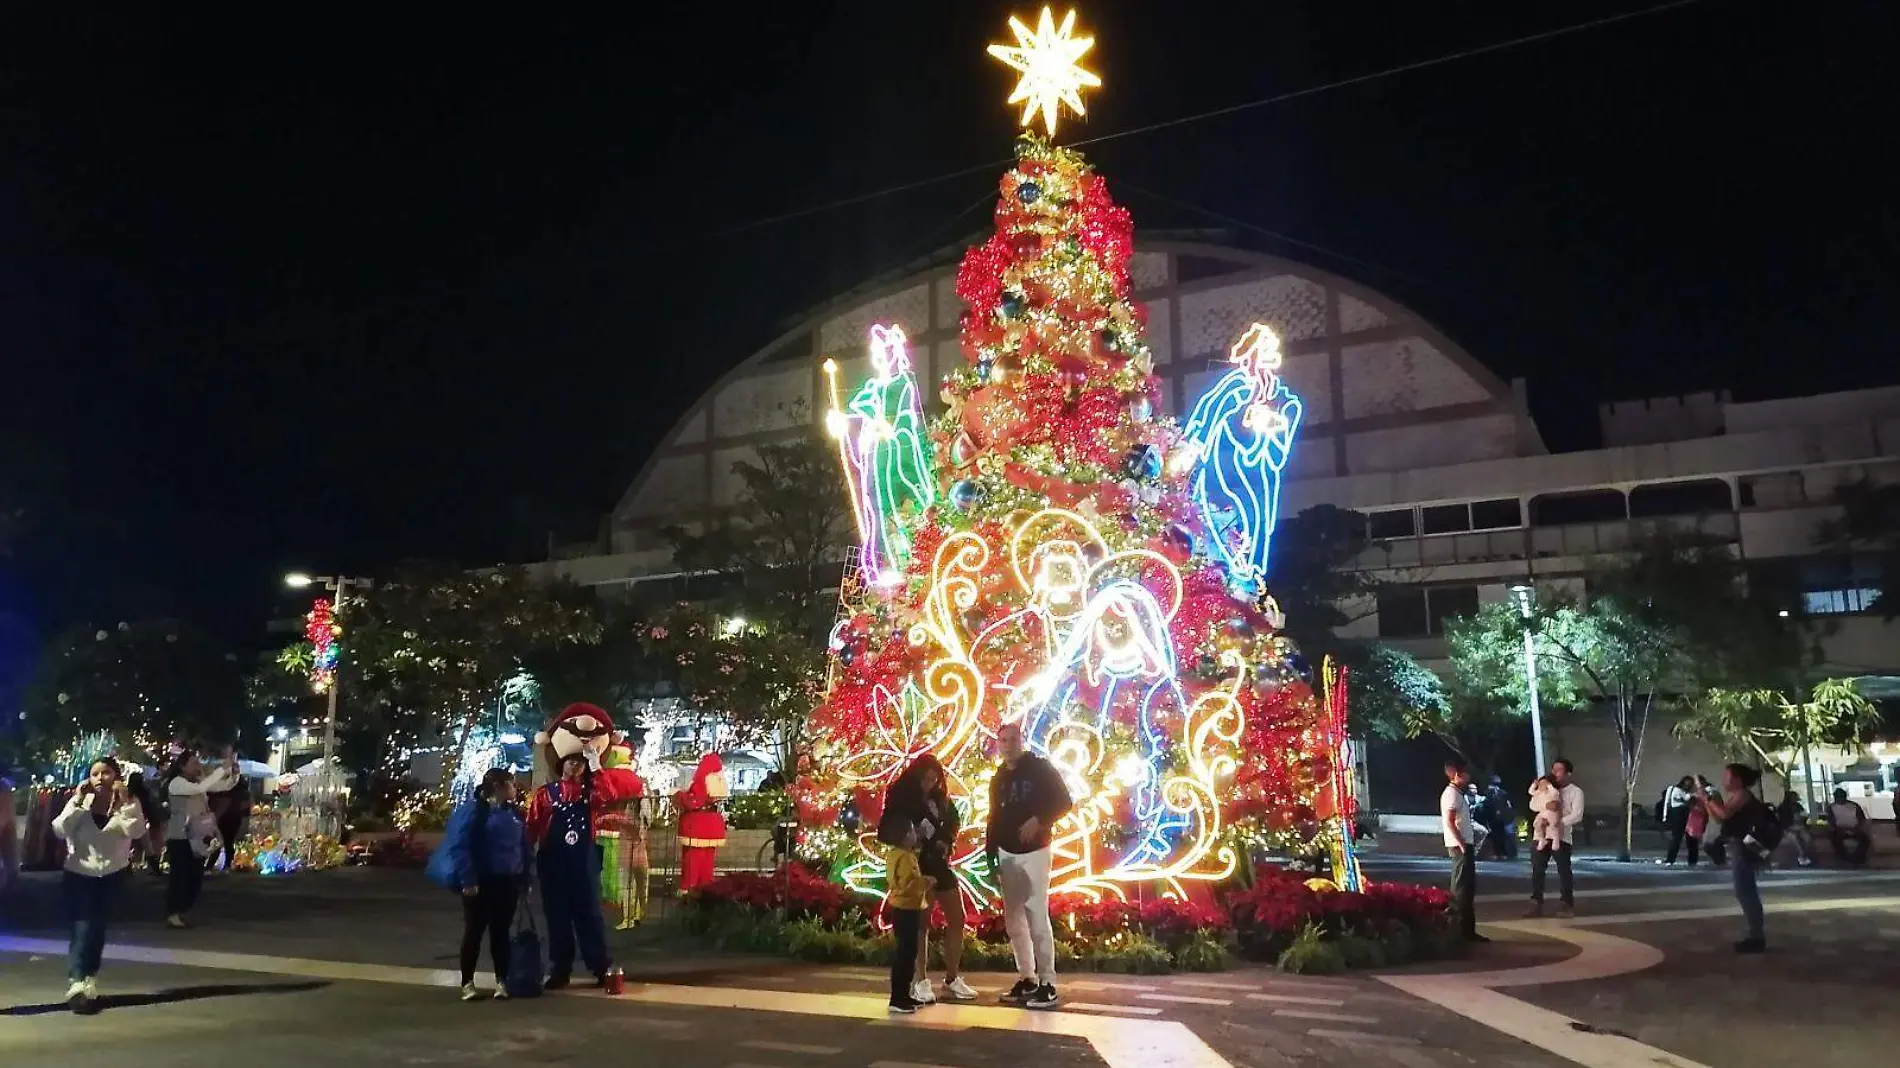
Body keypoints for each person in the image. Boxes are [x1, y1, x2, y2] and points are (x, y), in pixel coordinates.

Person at [986, 719, 1072, 1010]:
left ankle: (1048, 982)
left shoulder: (1040, 769)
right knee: (1014, 919)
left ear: (1021, 741)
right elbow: (993, 816)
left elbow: (1064, 800)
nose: (1007, 746)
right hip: (1006, 852)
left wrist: (1039, 819)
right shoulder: (998, 778)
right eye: (1002, 741)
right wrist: (990, 855)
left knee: (1037, 913)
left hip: (1035, 851)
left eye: (1012, 740)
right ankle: (1027, 978)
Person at [51, 758, 148, 1012]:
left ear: (116, 777)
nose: (100, 778)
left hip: (112, 874)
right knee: (83, 925)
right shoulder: (81, 803)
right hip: (78, 873)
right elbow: (60, 829)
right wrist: (78, 802)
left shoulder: (129, 804)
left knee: (98, 928)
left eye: (106, 773)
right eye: (95, 773)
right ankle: (76, 981)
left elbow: (136, 831)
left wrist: (126, 804)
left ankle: (89, 978)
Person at [527, 749, 629, 990]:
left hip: (583, 863)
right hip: (554, 863)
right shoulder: (546, 794)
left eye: (580, 763)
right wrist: (525, 862)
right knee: (557, 918)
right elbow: (532, 827)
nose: (575, 767)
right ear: (562, 764)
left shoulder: (590, 794)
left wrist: (596, 765)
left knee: (590, 916)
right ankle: (560, 969)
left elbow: (609, 795)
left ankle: (600, 966)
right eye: (571, 762)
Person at [439, 768, 531, 1001]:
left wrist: (525, 876)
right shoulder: (475, 811)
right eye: (511, 784)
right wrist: (468, 879)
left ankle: (502, 980)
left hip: (507, 880)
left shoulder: (513, 813)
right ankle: (467, 983)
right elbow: (461, 847)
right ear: (499, 787)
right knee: (474, 932)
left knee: (501, 933)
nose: (514, 788)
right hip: (480, 881)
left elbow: (523, 846)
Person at [879, 761, 938, 1014]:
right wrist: (926, 882)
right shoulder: (904, 857)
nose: (916, 834)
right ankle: (898, 997)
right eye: (912, 832)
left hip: (906, 906)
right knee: (905, 953)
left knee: (907, 951)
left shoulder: (901, 855)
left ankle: (903, 995)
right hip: (906, 907)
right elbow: (906, 883)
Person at [162, 744, 239, 928]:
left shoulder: (197, 782)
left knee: (195, 876)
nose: (198, 766)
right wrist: (222, 768)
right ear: (182, 766)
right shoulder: (177, 783)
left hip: (196, 836)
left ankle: (181, 910)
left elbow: (221, 786)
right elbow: (203, 787)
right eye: (194, 762)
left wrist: (234, 773)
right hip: (179, 837)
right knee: (180, 876)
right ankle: (173, 913)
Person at [1702, 763, 1769, 952]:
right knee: (1745, 890)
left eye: (1727, 776)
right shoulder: (1736, 796)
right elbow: (1720, 819)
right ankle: (1756, 935)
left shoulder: (1743, 795)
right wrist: (1707, 801)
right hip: (1740, 845)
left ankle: (1756, 936)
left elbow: (1724, 814)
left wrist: (1707, 797)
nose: (1724, 780)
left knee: (1745, 890)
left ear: (1737, 779)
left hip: (1745, 846)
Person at [1527, 758, 1582, 918]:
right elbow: (1533, 804)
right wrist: (1546, 807)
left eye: (1559, 770)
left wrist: (1558, 823)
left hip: (1561, 836)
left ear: (1568, 773)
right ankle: (1535, 902)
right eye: (1554, 770)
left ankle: (1566, 904)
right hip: (1541, 835)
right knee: (1537, 869)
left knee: (1564, 870)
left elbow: (1577, 814)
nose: (1555, 773)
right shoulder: (1544, 788)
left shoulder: (1576, 792)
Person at [1440, 758, 1485, 942]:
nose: (1469, 777)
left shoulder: (1458, 793)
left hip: (1464, 844)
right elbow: (1450, 821)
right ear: (1457, 775)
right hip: (1460, 846)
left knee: (1467, 888)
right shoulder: (1452, 794)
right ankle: (1460, 931)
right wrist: (1461, 844)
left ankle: (1468, 930)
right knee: (1461, 888)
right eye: (1466, 774)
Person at [207, 774, 250, 873]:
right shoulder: (238, 790)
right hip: (232, 817)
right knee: (227, 842)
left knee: (222, 841)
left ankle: (213, 865)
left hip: (227, 817)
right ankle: (224, 865)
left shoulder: (227, 790)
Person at [1827, 788, 1871, 866]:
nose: (1839, 799)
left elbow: (1861, 819)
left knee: (1865, 840)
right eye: (1838, 797)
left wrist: (1856, 828)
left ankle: (1858, 858)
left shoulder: (1854, 806)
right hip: (1840, 830)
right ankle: (1845, 858)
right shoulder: (1831, 807)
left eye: (1841, 797)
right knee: (1835, 840)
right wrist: (1839, 829)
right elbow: (1831, 821)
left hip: (1855, 829)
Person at [1660, 776, 1697, 866]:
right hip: (1678, 814)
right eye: (1687, 783)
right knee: (1676, 838)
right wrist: (1665, 817)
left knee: (1690, 837)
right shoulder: (1674, 789)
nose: (1688, 785)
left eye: (1690, 784)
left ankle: (1692, 861)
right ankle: (1670, 859)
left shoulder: (1687, 792)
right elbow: (1669, 802)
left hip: (1686, 813)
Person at [1776, 790, 1815, 867]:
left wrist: (1802, 819)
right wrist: (1791, 827)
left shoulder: (1798, 806)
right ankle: (1802, 857)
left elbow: (1805, 817)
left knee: (1808, 839)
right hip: (1787, 829)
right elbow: (1782, 822)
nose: (1795, 799)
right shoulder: (1782, 808)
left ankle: (1802, 856)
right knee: (1794, 838)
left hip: (1800, 827)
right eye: (1794, 798)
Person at [1482, 775, 1516, 859]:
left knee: (1503, 835)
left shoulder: (1502, 793)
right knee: (1495, 836)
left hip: (1502, 817)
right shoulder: (1488, 793)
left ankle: (1505, 853)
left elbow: (1507, 805)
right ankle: (1498, 853)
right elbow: (1486, 805)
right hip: (1492, 817)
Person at [1527, 776, 1562, 852]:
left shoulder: (1552, 792)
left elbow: (1555, 794)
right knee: (1537, 824)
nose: (1542, 785)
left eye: (1544, 783)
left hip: (1551, 813)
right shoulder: (1538, 793)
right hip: (1542, 812)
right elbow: (1531, 792)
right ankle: (1542, 839)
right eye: (1540, 784)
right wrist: (1534, 785)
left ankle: (1556, 839)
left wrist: (1549, 786)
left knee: (1553, 825)